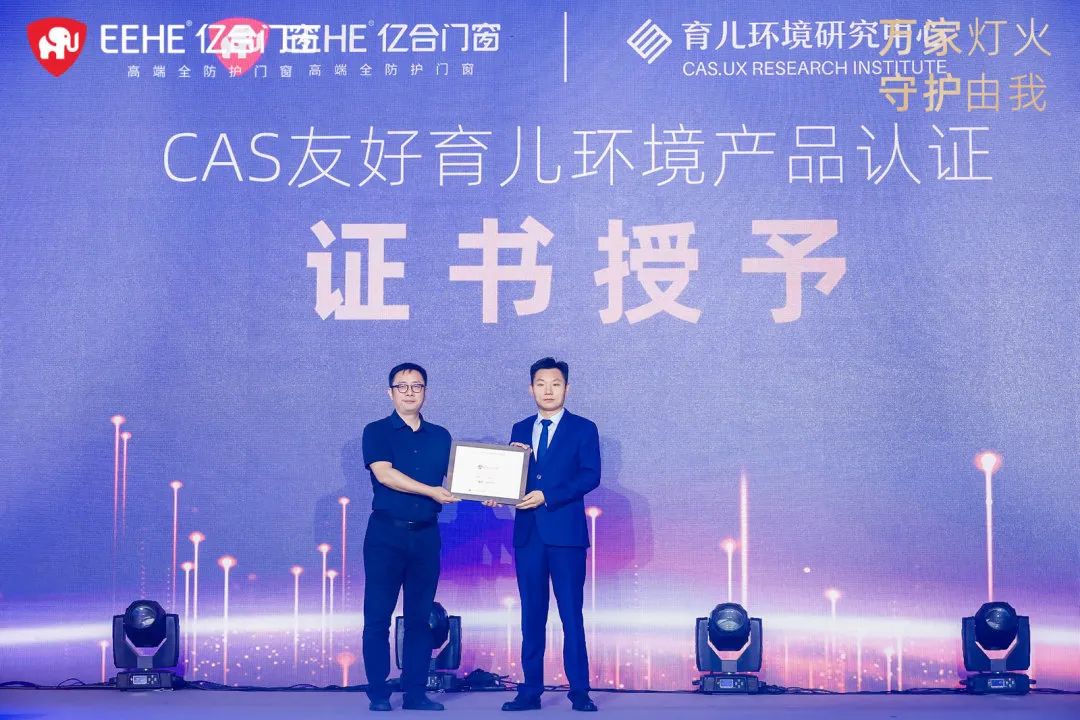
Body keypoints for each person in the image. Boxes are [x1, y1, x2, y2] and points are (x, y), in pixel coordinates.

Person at [498, 357, 601, 712]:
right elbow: (512, 475)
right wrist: (498, 493)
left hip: (566, 535)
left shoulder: (583, 428)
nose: (548, 390)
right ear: (531, 388)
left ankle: (580, 692)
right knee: (531, 616)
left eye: (555, 384)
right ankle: (529, 692)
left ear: (566, 388)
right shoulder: (520, 427)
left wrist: (548, 495)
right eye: (541, 384)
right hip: (529, 535)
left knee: (571, 615)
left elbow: (590, 475)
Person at [361, 362, 459, 712]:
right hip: (386, 536)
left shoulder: (441, 436)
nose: (409, 392)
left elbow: (459, 479)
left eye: (416, 386)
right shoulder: (376, 431)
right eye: (401, 386)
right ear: (390, 393)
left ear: (425, 392)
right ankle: (378, 693)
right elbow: (385, 475)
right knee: (377, 618)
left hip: (426, 537)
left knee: (419, 619)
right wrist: (431, 491)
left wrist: (492, 491)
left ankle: (415, 693)